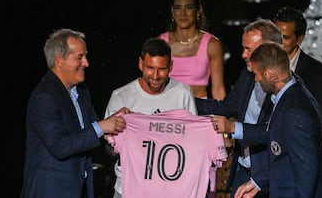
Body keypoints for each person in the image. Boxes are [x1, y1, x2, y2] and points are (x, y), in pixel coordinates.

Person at [214, 42, 322, 198]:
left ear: (269, 74)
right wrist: (257, 183)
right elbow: (283, 155)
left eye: (256, 74)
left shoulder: (295, 111)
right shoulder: (291, 95)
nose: (255, 80)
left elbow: (306, 173)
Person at [21, 29, 128, 198]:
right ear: (59, 61)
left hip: (80, 189)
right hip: (50, 191)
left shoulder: (81, 91)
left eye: (85, 56)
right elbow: (60, 146)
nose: (86, 63)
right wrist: (101, 126)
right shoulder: (44, 97)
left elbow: (93, 127)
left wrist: (115, 122)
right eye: (79, 57)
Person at [196, 19, 282, 198]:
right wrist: (180, 99)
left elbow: (274, 132)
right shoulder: (247, 76)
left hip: (269, 175)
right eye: (244, 48)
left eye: (249, 49)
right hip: (243, 169)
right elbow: (225, 107)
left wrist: (233, 128)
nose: (243, 54)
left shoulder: (285, 87)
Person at [103, 38, 198, 198]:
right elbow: (110, 150)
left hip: (170, 189)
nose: (155, 75)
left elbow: (193, 141)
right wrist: (111, 133)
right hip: (128, 189)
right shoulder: (121, 97)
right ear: (140, 64)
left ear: (171, 67)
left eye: (161, 69)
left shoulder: (182, 93)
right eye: (150, 68)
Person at [273, 6, 322, 142]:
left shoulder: (319, 73)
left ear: (299, 39)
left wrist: (301, 142)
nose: (278, 42)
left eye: (285, 37)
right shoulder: (258, 65)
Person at [158, 0, 226, 101]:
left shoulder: (212, 44)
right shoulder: (160, 43)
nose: (183, 13)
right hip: (166, 108)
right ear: (172, 11)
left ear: (198, 11)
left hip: (199, 110)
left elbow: (218, 89)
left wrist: (223, 113)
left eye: (189, 8)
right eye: (178, 8)